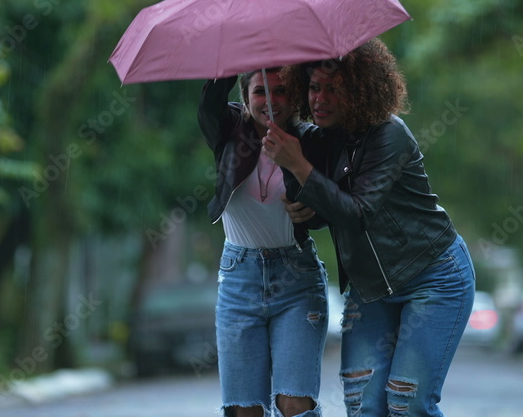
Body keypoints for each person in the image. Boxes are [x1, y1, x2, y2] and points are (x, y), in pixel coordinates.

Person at [262, 39, 476, 417]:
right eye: (314, 87)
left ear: (360, 91)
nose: (320, 99)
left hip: (433, 277)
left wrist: (299, 167)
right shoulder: (324, 140)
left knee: (406, 404)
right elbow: (318, 215)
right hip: (370, 287)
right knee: (363, 406)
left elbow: (358, 213)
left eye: (334, 88)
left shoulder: (388, 135)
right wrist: (296, 180)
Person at [199, 69, 329, 417]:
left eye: (281, 91)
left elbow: (326, 211)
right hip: (239, 278)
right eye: (260, 92)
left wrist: (309, 210)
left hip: (297, 278)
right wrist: (225, 64)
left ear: (295, 98)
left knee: (293, 403)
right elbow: (209, 108)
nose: (271, 101)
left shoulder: (310, 140)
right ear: (245, 98)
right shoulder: (229, 130)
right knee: (245, 410)